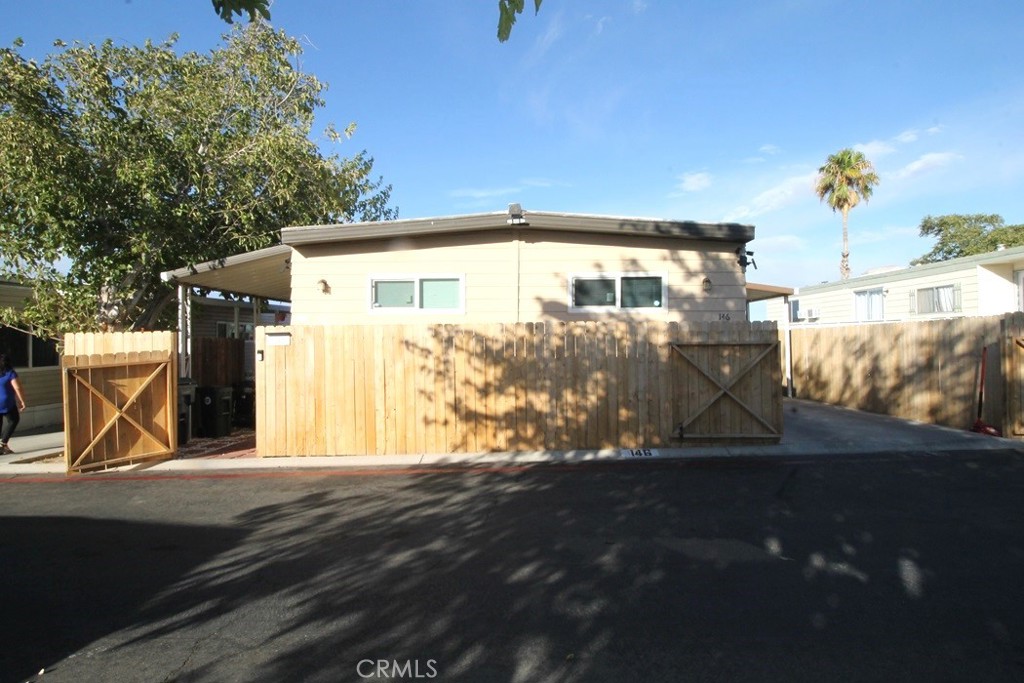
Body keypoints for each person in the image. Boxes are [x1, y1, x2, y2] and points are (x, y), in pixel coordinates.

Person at [0, 353, 27, 454]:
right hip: (6, 402)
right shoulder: (10, 373)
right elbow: (17, 387)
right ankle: (3, 443)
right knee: (13, 420)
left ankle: (2, 446)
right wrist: (22, 400)